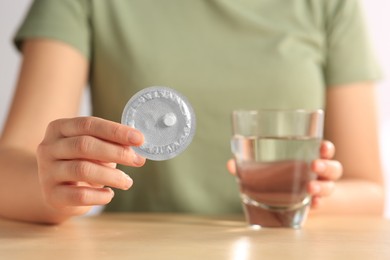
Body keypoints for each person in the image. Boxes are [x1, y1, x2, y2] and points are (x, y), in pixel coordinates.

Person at [0, 0, 385, 224]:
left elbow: (370, 190)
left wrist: (304, 195)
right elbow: (8, 169)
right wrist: (57, 184)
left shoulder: (330, 5)